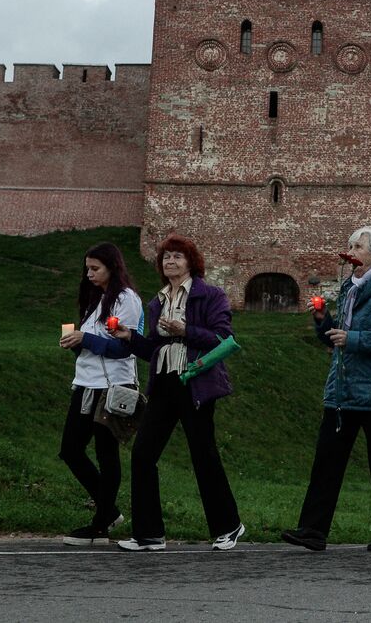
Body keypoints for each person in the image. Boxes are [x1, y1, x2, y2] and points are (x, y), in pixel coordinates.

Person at [112, 235, 243, 552]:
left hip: (195, 381)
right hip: (165, 383)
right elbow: (155, 349)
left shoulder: (209, 295)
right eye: (166, 257)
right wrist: (129, 336)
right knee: (143, 453)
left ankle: (229, 526)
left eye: (177, 257)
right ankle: (149, 534)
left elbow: (222, 338)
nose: (170, 262)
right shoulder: (157, 301)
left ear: (190, 262)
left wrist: (186, 331)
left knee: (203, 455)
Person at [283, 227, 371, 552]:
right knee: (327, 459)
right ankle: (313, 530)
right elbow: (335, 337)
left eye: (358, 246)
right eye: (349, 244)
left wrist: (351, 339)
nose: (350, 250)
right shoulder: (351, 287)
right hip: (343, 389)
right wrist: (324, 321)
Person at [58, 242, 145, 546]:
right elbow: (96, 342)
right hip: (86, 382)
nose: (89, 274)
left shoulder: (126, 300)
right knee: (70, 449)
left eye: (95, 268)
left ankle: (100, 525)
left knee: (106, 454)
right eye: (87, 268)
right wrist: (77, 342)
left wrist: (87, 338)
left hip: (113, 386)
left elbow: (125, 347)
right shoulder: (96, 298)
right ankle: (108, 511)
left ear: (113, 267)